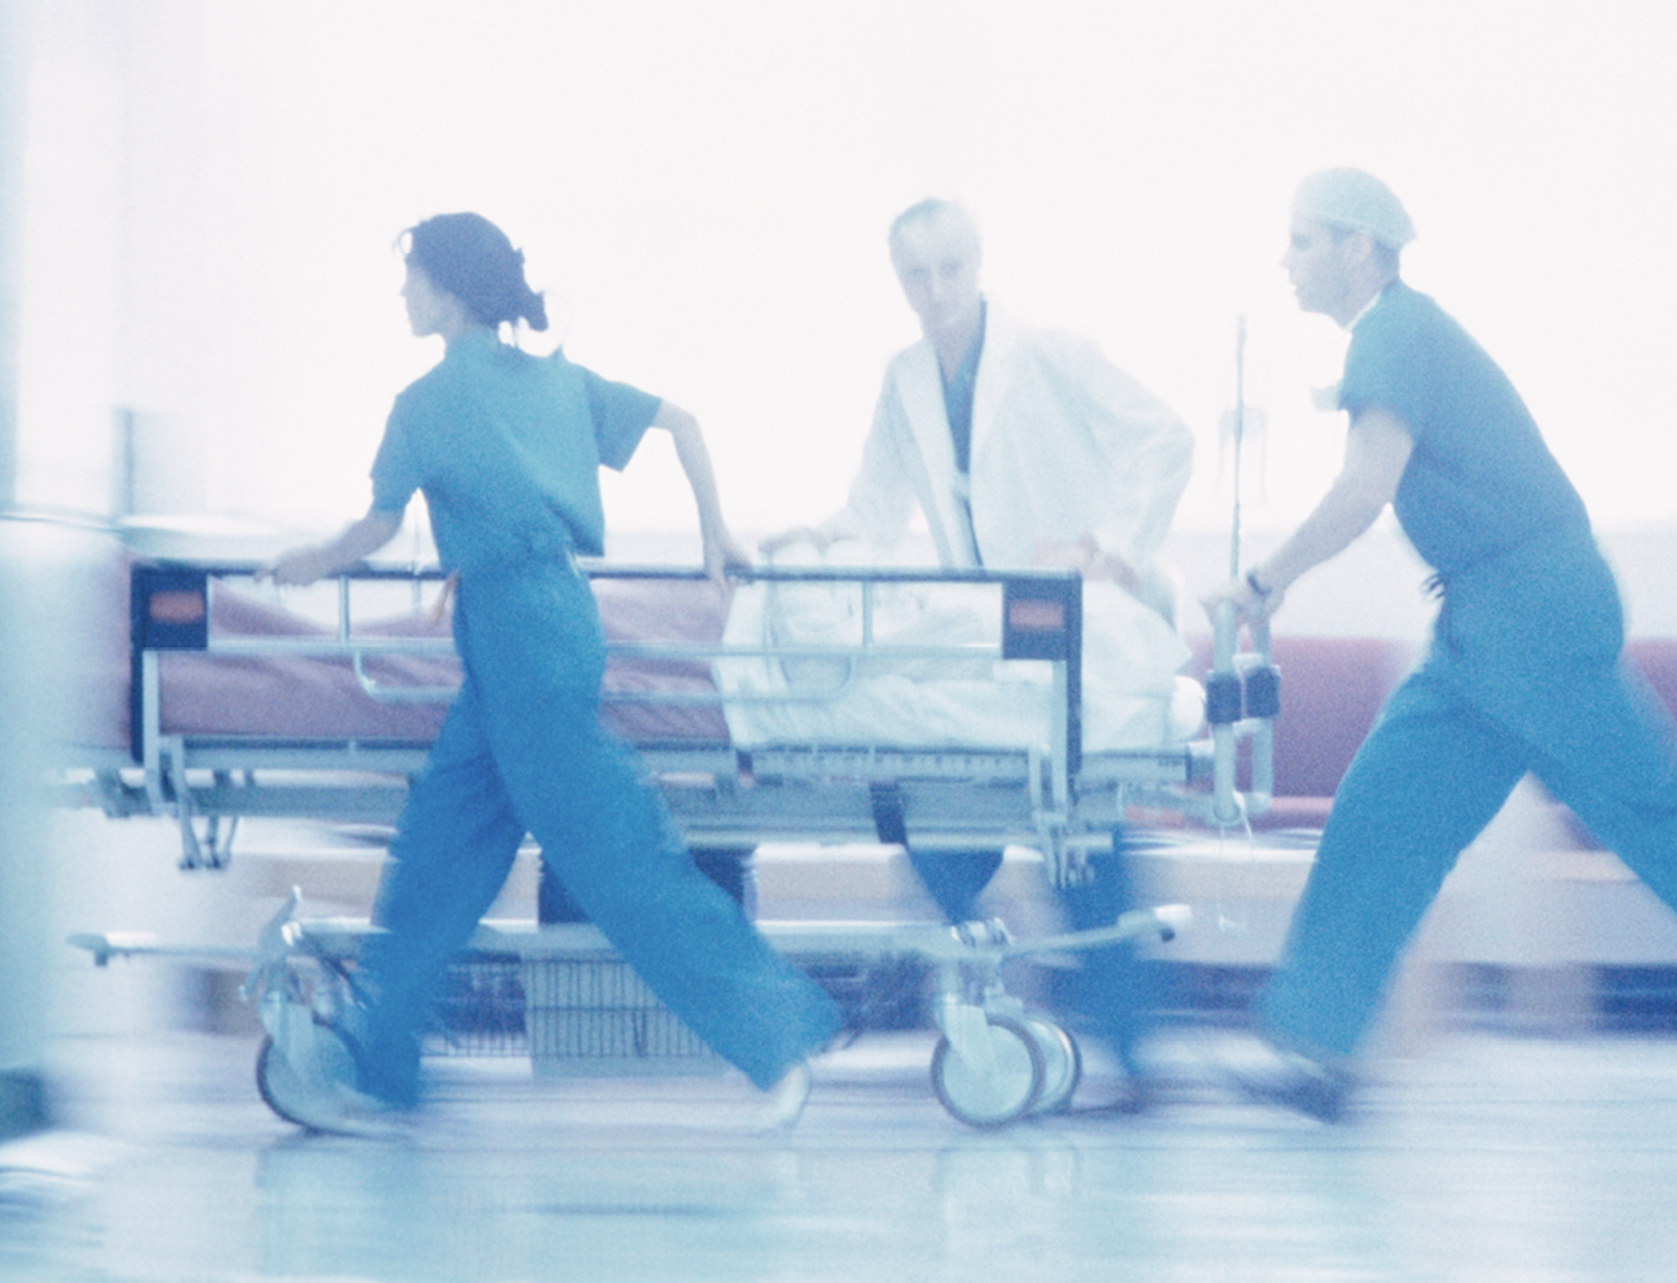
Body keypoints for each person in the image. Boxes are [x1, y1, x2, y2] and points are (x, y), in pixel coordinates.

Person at [1205, 168, 1677, 1123]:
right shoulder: (1397, 335)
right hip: (1484, 622)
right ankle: (1318, 1046)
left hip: (1530, 614)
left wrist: (1260, 581)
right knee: (1381, 811)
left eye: (1301, 239)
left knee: (1662, 829)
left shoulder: (1393, 330)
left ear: (1357, 248)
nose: (1283, 260)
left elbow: (1364, 487)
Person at [267, 212, 841, 1132]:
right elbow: (683, 423)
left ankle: (778, 1035)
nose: (402, 293)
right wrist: (715, 532)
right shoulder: (556, 381)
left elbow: (374, 528)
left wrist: (304, 563)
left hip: (522, 638)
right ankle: (376, 1071)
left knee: (618, 857)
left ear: (448, 292)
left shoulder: (423, 404)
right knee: (436, 853)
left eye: (412, 278)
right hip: (535, 625)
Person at [766, 199, 1195, 1105]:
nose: (934, 291)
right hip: (987, 635)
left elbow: (1166, 437)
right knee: (933, 822)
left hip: (1074, 624)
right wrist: (809, 542)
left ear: (978, 261)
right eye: (914, 275)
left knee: (1085, 839)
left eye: (949, 268)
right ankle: (991, 996)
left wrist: (1114, 546)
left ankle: (1135, 1060)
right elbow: (873, 510)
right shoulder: (904, 378)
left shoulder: (1050, 351)